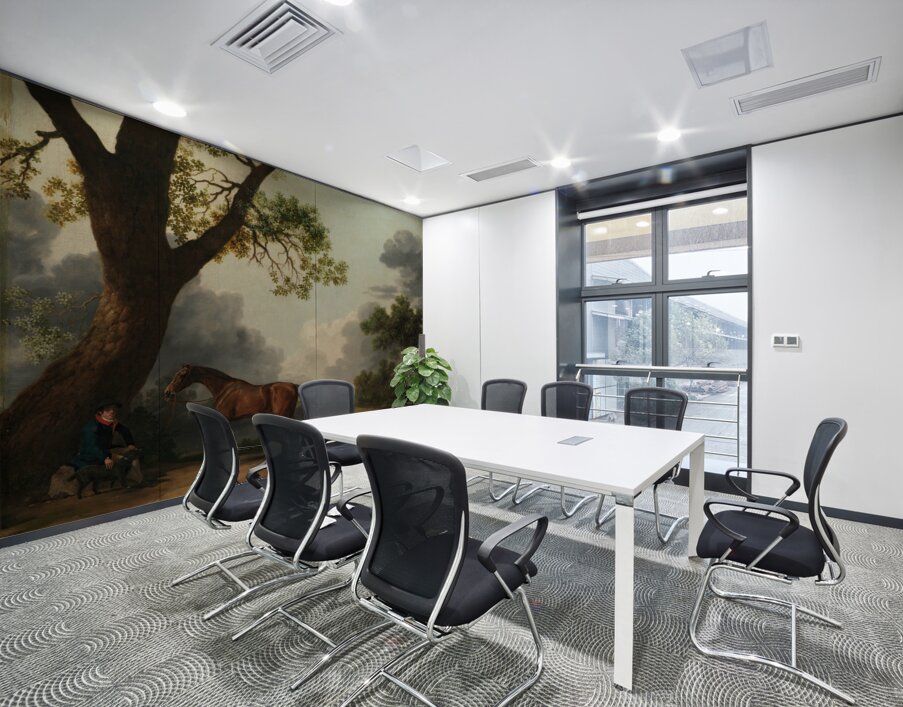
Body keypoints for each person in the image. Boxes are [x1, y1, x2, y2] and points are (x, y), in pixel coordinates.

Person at [70, 399, 138, 470]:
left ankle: (138, 479)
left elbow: (125, 431)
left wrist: (130, 444)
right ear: (100, 412)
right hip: (92, 455)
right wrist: (105, 458)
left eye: (114, 409)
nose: (112, 412)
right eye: (108, 410)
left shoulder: (112, 422)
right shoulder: (92, 427)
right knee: (128, 461)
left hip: (106, 450)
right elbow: (91, 447)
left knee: (133, 454)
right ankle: (134, 480)